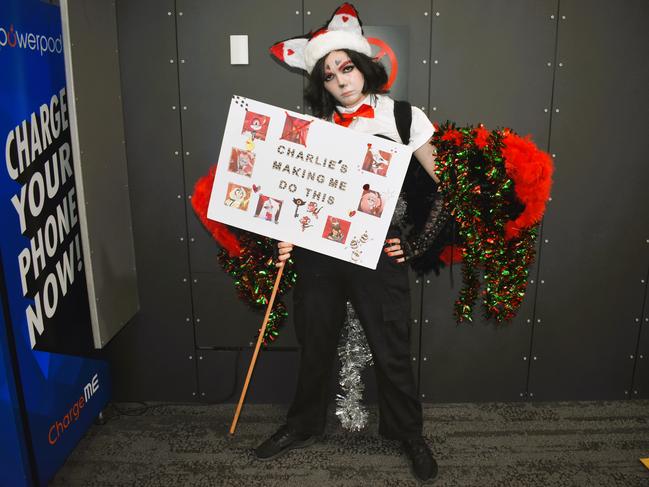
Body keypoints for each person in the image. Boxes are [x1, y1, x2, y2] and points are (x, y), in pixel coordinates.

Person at [257, 3, 441, 482]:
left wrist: (419, 243)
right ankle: (301, 426)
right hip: (319, 253)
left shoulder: (404, 117)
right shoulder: (311, 128)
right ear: (320, 84)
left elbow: (449, 181)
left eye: (347, 67)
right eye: (330, 74)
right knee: (315, 339)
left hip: (377, 250)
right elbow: (293, 190)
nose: (342, 80)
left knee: (391, 348)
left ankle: (409, 434)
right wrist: (284, 236)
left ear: (365, 66)